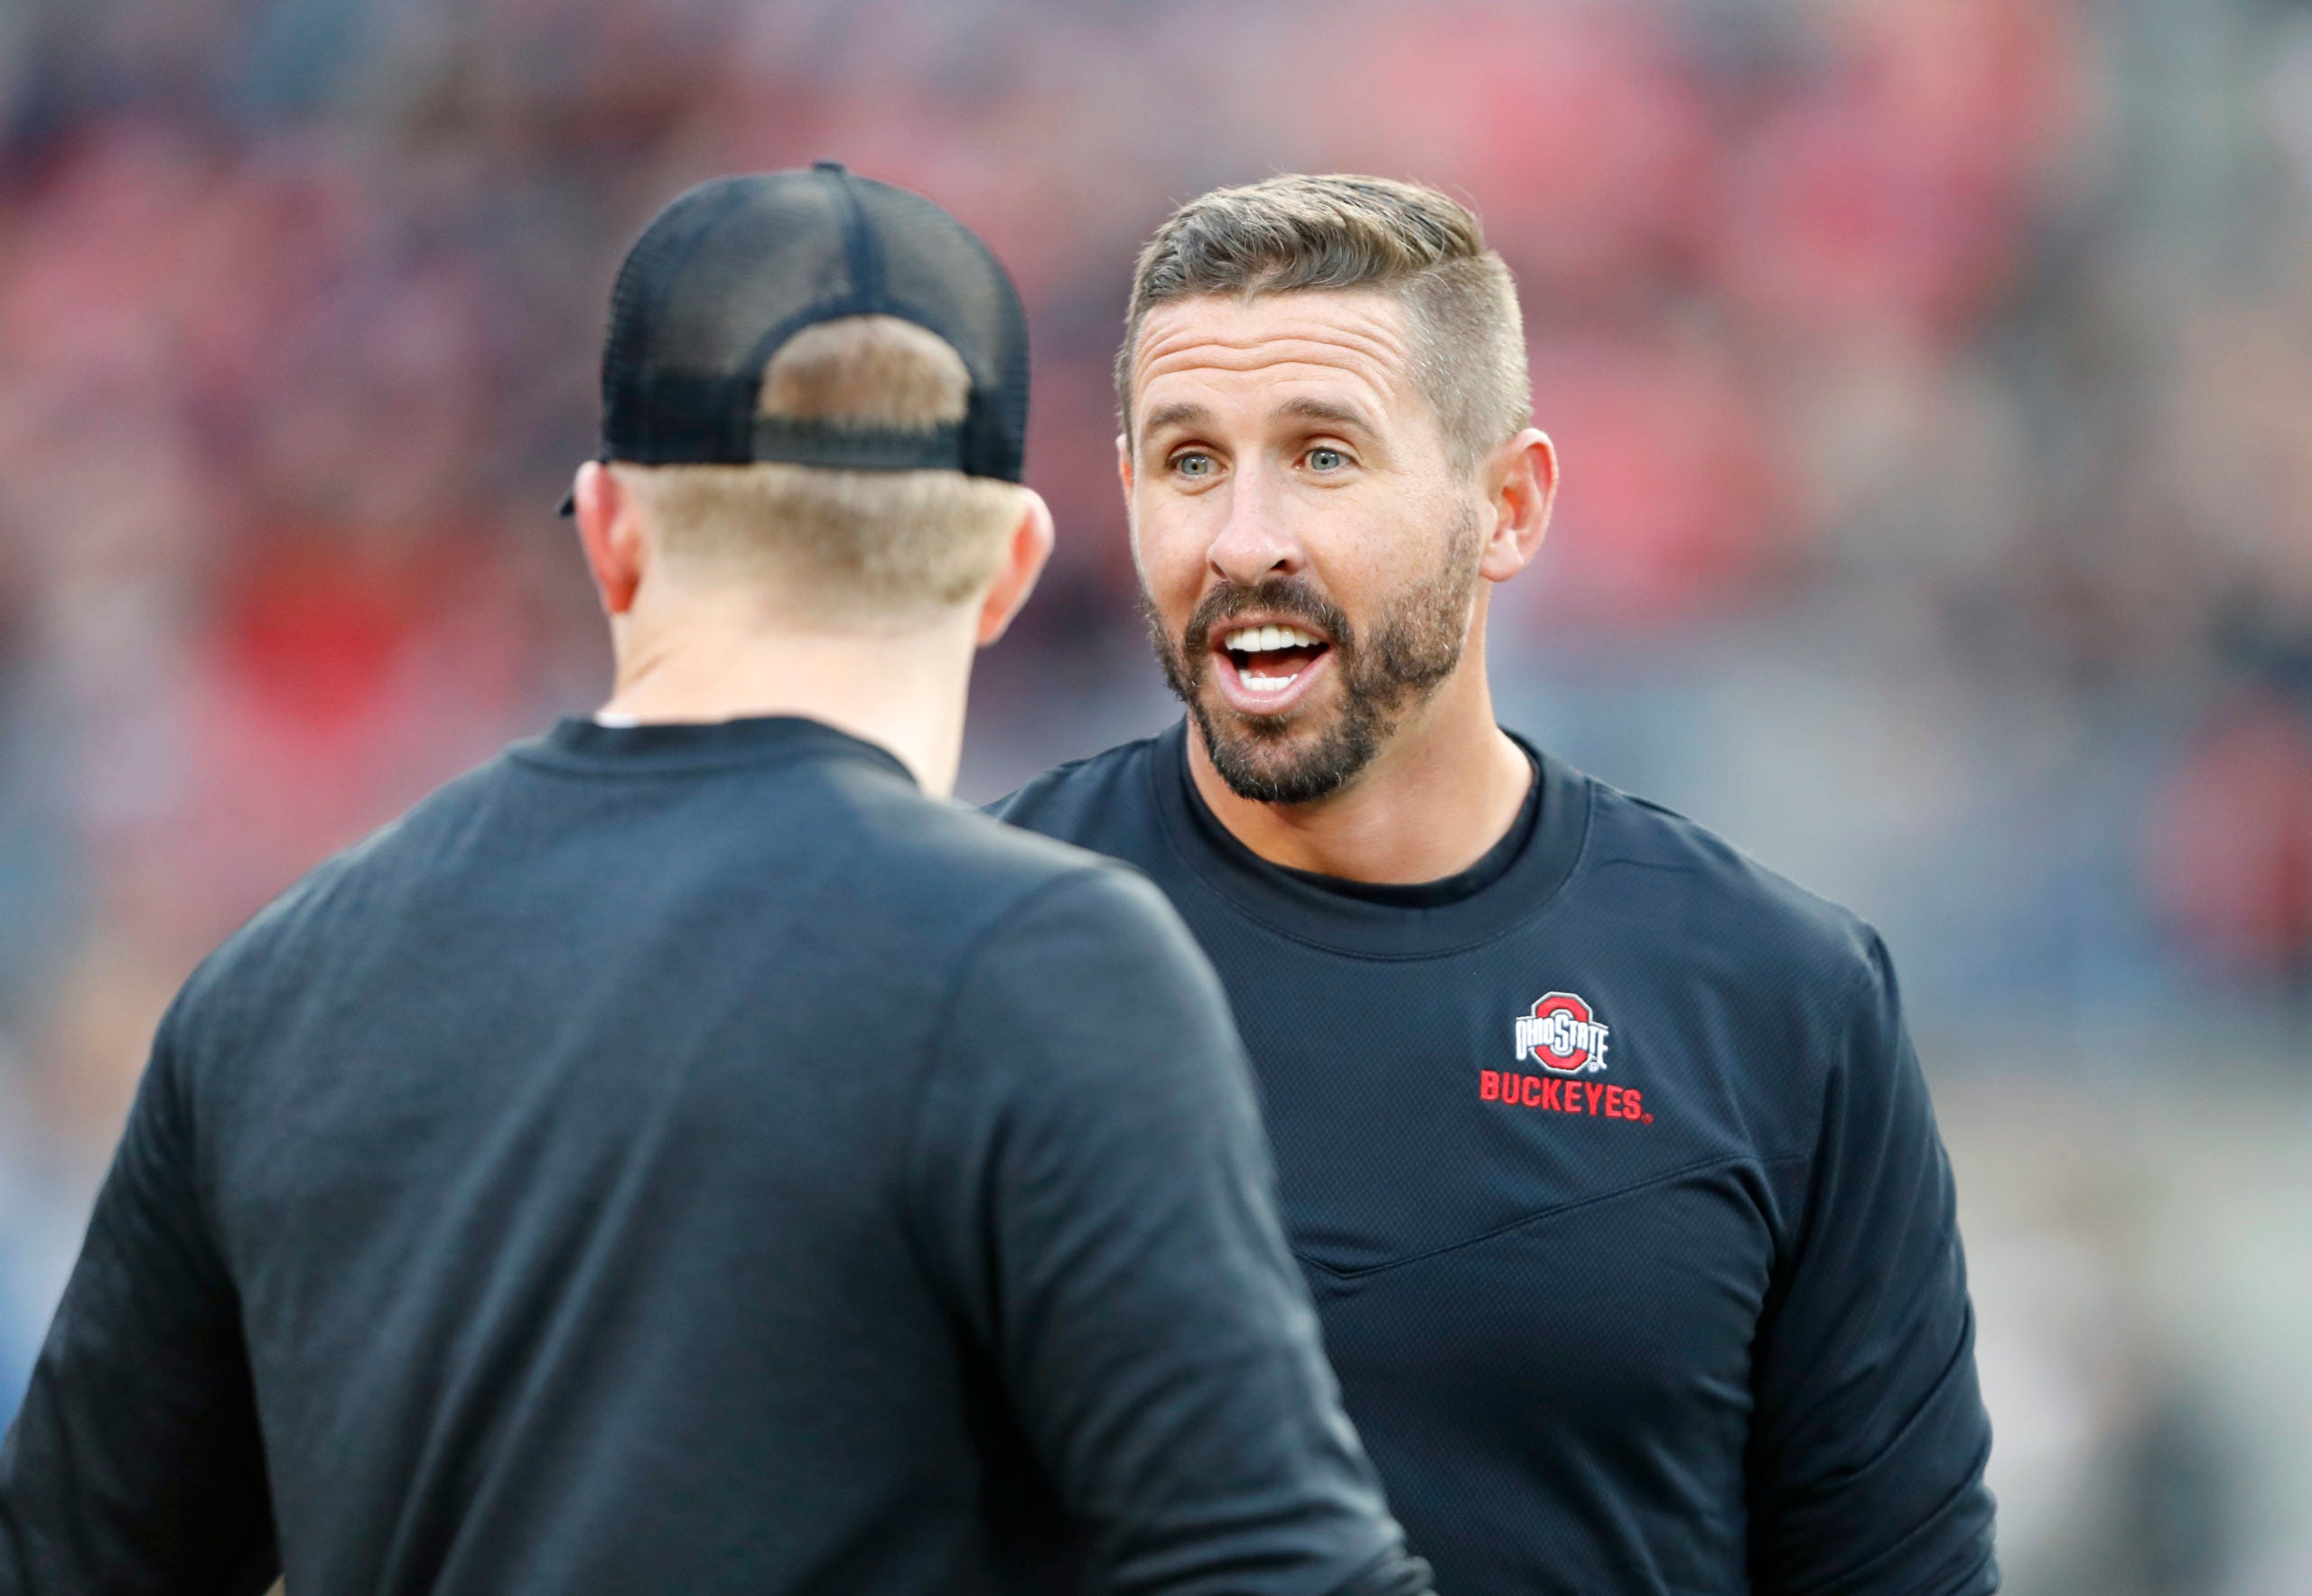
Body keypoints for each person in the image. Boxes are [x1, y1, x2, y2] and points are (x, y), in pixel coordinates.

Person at [0, 165, 1432, 1596]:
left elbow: (68, 1565)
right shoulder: (1039, 965)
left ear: (611, 532)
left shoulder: (275, 988)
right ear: (1009, 565)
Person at [993, 173, 1999, 1596]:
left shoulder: (1780, 1000)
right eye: (1191, 462)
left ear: (1509, 507)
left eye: (1326, 456)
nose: (1243, 540)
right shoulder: (967, 952)